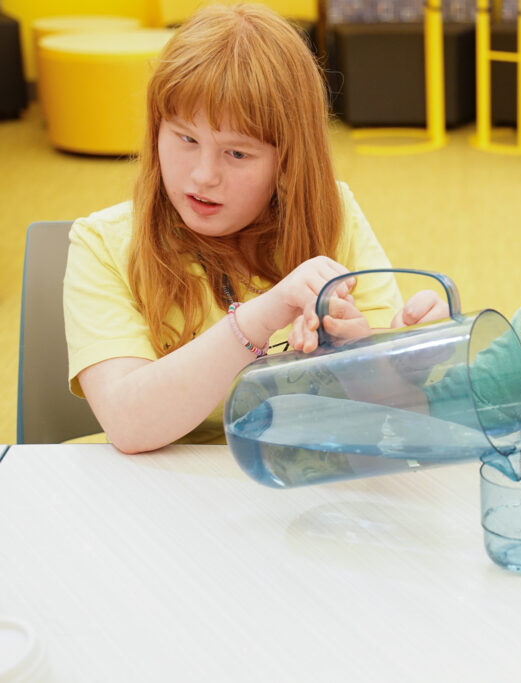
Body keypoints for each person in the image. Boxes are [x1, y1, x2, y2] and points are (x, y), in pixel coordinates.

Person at [64, 3, 446, 454]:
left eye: (237, 153)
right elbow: (129, 426)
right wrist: (262, 317)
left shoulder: (333, 214)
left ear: (288, 161)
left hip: (297, 475)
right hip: (162, 480)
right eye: (186, 138)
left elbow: (397, 416)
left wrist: (383, 361)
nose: (203, 175)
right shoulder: (104, 243)